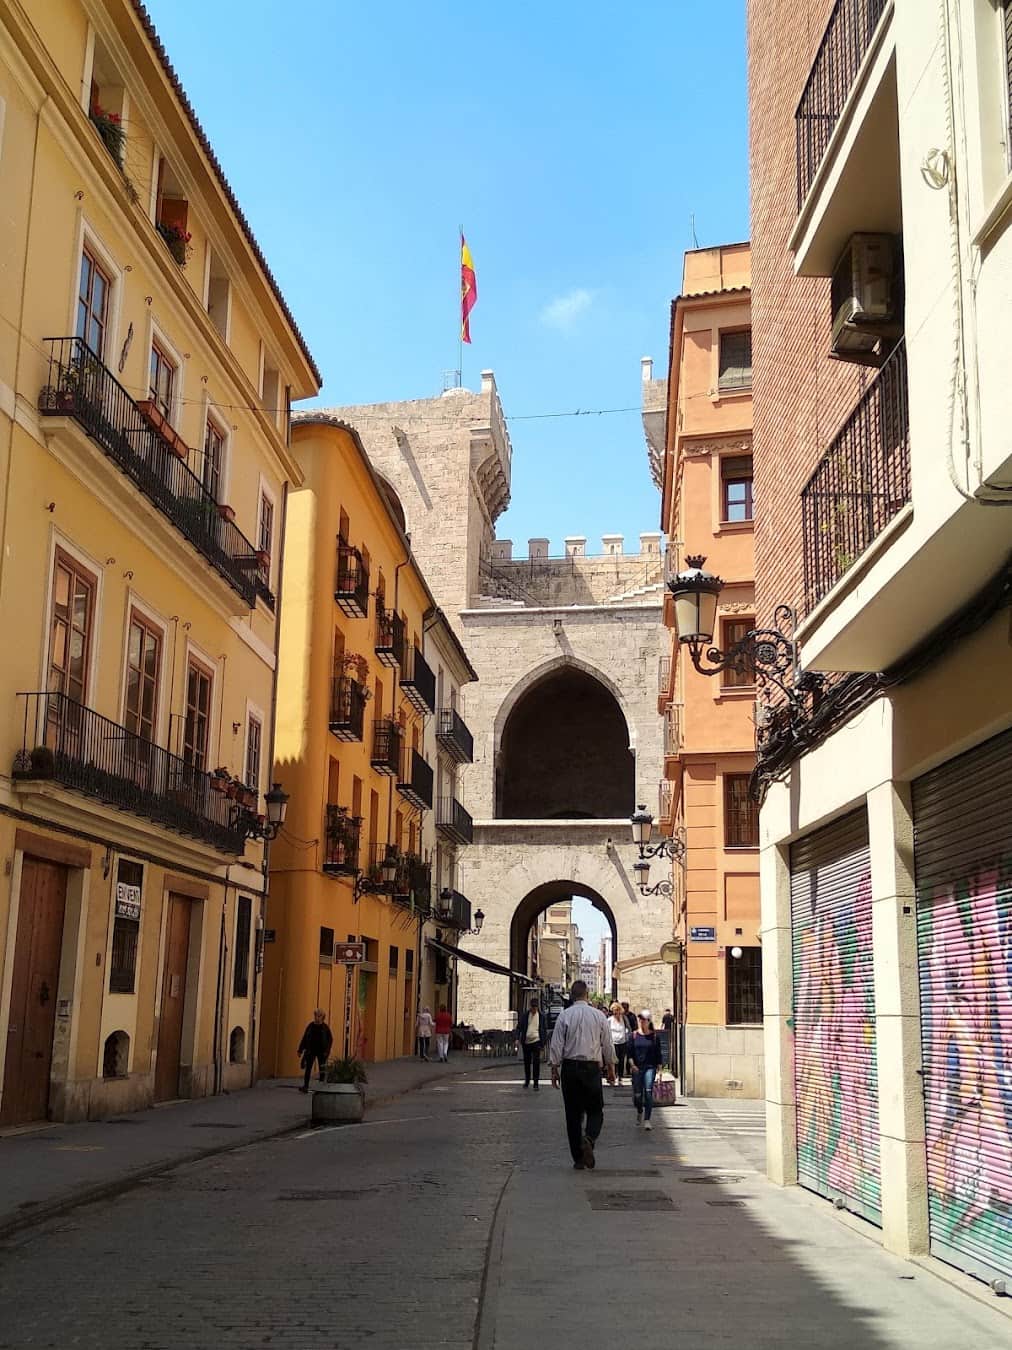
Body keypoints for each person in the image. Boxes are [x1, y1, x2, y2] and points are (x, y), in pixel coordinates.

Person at [549, 979, 616, 1169]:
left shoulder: (565, 1015)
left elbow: (556, 1044)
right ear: (587, 995)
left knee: (572, 1114)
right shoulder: (599, 1016)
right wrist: (610, 1067)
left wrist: (555, 1068)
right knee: (596, 1110)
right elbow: (607, 1044)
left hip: (570, 1068)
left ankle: (578, 1159)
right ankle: (589, 1138)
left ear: (572, 995)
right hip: (591, 1068)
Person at [629, 1010, 663, 1130]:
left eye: (643, 1020)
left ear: (649, 1021)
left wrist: (659, 1071)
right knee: (638, 1095)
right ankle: (639, 1110)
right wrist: (632, 1065)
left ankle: (647, 1120)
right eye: (640, 1019)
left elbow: (658, 1055)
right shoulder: (633, 1035)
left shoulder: (654, 1037)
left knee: (648, 1092)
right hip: (637, 1068)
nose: (641, 1022)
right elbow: (630, 1054)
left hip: (650, 1068)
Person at [297, 1009, 333, 1093]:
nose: (317, 1017)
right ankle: (305, 1086)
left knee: (322, 1069)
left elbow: (330, 1040)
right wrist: (300, 1049)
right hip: (311, 1050)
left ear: (323, 1018)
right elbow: (305, 1038)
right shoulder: (310, 1026)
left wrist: (327, 1051)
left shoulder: (325, 1028)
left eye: (319, 1016)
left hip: (322, 1051)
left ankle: (321, 1087)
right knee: (308, 1068)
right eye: (316, 1015)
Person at [516, 996, 547, 1091]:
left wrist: (543, 1044)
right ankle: (527, 1080)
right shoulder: (525, 1016)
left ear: (538, 1007)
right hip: (526, 1042)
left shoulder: (541, 1016)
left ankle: (536, 1083)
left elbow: (543, 1030)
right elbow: (519, 1027)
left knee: (536, 1063)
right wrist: (517, 1038)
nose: (534, 1009)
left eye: (535, 1007)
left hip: (536, 1041)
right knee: (527, 1062)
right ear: (530, 1007)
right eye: (532, 1007)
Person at [608, 1002, 630, 1084]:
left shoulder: (624, 1018)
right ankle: (615, 1075)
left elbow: (628, 1028)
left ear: (620, 1010)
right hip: (613, 1042)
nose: (615, 1012)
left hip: (623, 1042)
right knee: (615, 1060)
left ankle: (620, 1075)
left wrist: (628, 1035)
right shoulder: (609, 1020)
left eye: (617, 1010)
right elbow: (607, 1031)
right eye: (613, 1010)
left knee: (621, 1059)